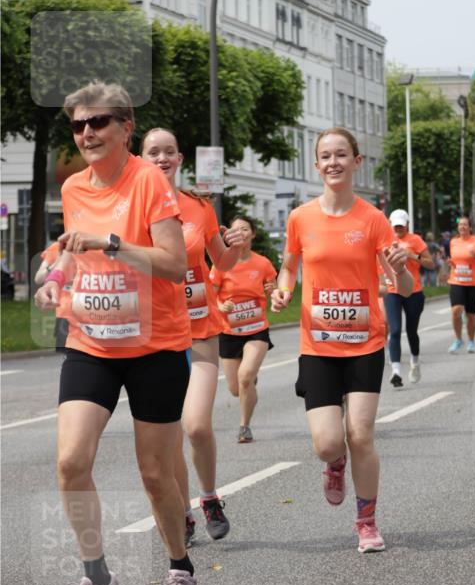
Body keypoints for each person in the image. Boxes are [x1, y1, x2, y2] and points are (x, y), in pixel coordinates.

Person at [34, 82, 196, 585]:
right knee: (70, 461)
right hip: (92, 344)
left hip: (155, 346)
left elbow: (175, 264)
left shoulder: (149, 181)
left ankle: (179, 569)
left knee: (154, 473)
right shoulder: (75, 188)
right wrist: (55, 275)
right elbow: (70, 252)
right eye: (78, 125)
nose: (86, 133)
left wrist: (112, 243)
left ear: (126, 128)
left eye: (98, 122)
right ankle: (97, 577)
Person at [271, 128, 412, 554]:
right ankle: (335, 464)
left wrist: (401, 269)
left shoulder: (372, 220)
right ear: (317, 165)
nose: (333, 162)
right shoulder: (300, 218)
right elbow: (289, 268)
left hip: (365, 343)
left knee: (361, 434)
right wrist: (283, 290)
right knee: (328, 442)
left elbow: (401, 287)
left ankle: (366, 521)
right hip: (318, 346)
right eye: (325, 156)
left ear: (356, 162)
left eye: (341, 155)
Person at [141, 128, 244, 548]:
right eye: (153, 152)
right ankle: (182, 512)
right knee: (168, 440)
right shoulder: (130, 209)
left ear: (180, 158)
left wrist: (235, 245)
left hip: (199, 329)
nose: (162, 158)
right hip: (156, 336)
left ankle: (210, 498)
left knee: (197, 426)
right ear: (141, 158)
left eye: (169, 151)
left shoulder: (199, 207)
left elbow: (222, 260)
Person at [211, 215, 278, 443]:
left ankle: (244, 427)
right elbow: (211, 295)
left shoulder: (263, 263)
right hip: (229, 331)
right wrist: (222, 305)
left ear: (253, 234)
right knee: (236, 389)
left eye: (245, 229)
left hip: (257, 328)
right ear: (229, 235)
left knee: (245, 376)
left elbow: (275, 291)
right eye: (235, 229)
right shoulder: (221, 264)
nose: (240, 233)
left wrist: (275, 293)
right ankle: (248, 385)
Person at [383, 209, 433, 387]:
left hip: (414, 291)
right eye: (395, 226)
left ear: (407, 225)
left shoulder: (415, 240)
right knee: (394, 330)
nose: (398, 230)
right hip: (392, 290)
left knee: (412, 331)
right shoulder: (384, 239)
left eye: (401, 227)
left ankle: (415, 361)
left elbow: (430, 263)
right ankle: (396, 371)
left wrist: (412, 255)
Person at [443, 216, 475, 353]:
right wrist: (451, 263)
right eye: (460, 225)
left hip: (474, 282)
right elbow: (454, 259)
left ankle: (471, 341)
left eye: (465, 225)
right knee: (456, 310)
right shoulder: (453, 242)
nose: (462, 227)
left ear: (470, 227)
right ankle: (458, 339)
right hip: (457, 280)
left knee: (471, 315)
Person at [35, 241, 71, 350]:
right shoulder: (56, 247)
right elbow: (38, 278)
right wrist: (58, 262)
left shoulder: (92, 244)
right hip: (65, 314)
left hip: (90, 314)